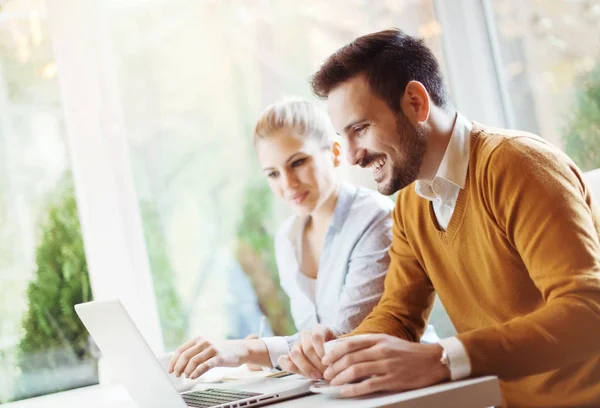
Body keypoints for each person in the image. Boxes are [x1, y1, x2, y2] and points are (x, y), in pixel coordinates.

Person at [278, 29, 600, 407]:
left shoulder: (518, 166)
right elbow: (398, 316)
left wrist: (443, 358)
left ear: (416, 102)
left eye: (360, 129)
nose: (350, 157)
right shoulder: (413, 204)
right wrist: (337, 354)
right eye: (341, 136)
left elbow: (588, 314)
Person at [168, 99, 438, 380]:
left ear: (334, 153)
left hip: (412, 386)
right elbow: (313, 347)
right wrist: (262, 355)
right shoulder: (287, 238)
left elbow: (344, 338)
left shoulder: (374, 219)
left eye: (297, 163)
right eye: (273, 174)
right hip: (342, 388)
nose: (287, 183)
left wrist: (249, 351)